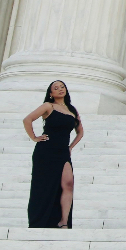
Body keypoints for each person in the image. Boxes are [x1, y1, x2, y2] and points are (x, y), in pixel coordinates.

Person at [23, 80, 82, 229]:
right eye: (56, 88)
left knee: (68, 184)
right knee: (43, 186)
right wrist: (34, 137)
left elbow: (80, 132)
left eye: (62, 87)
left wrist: (71, 147)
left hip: (63, 152)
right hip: (46, 151)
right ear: (51, 93)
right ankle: (40, 220)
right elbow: (27, 120)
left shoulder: (72, 110)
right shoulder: (48, 106)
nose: (60, 89)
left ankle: (64, 221)